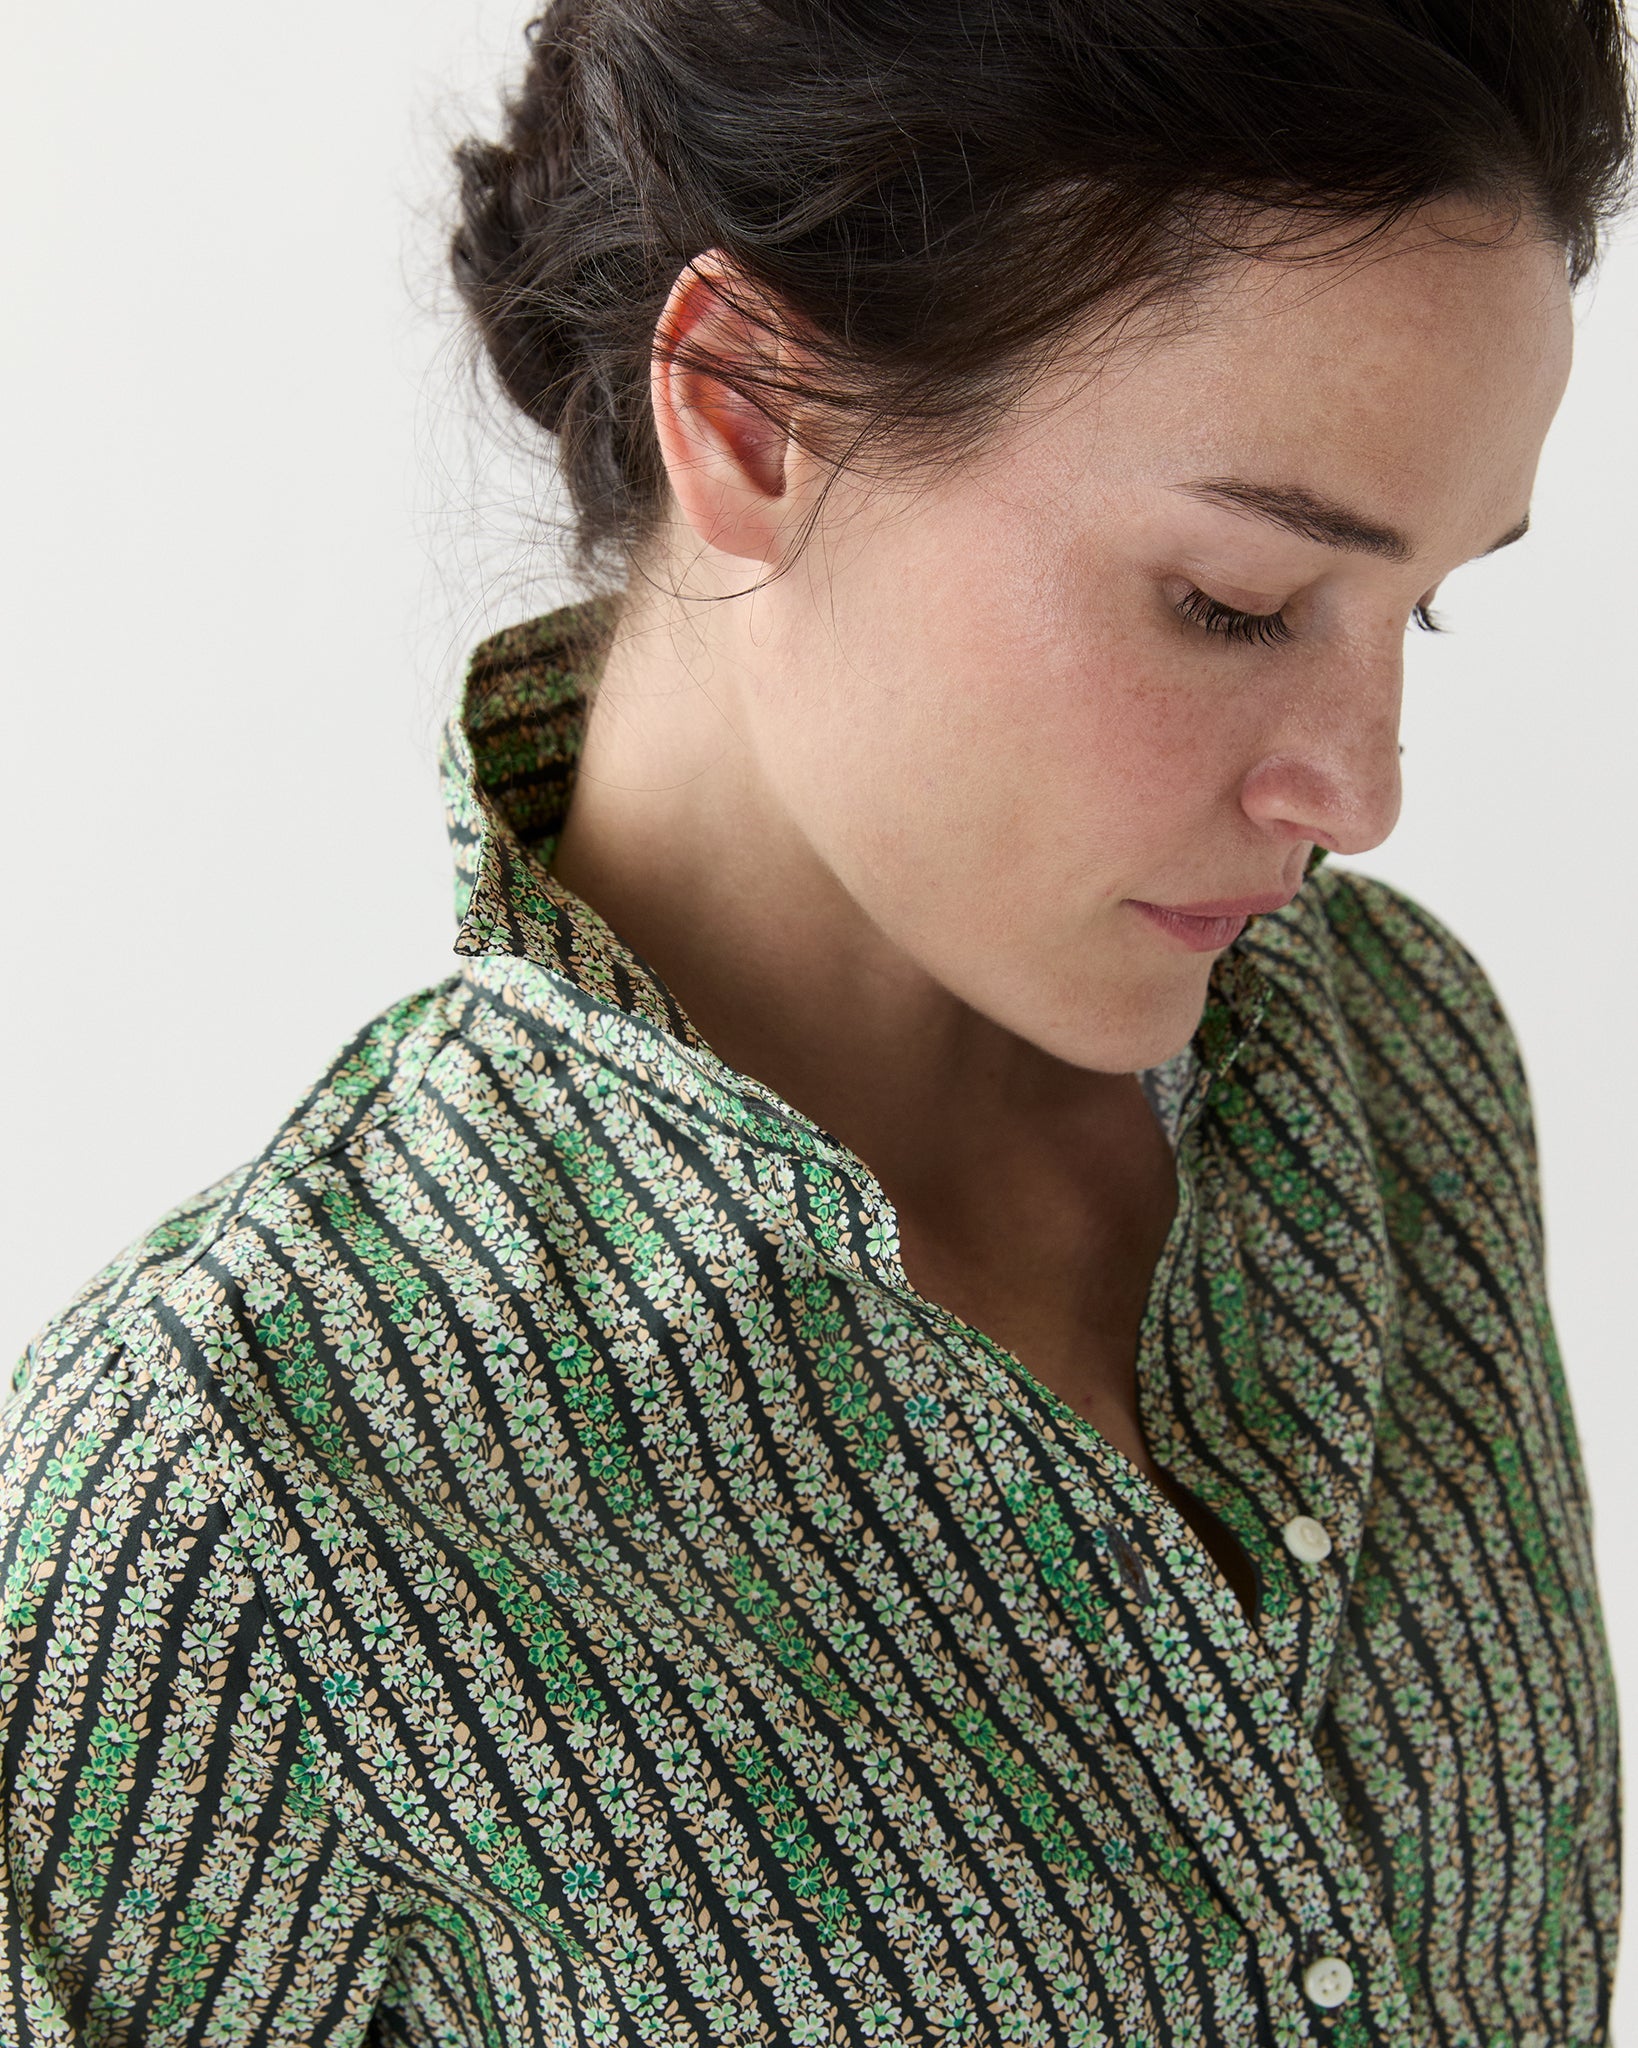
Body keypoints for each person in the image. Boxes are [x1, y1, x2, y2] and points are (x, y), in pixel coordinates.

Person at [1, 0, 1629, 2040]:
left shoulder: (1397, 1072)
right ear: (749, 413)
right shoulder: (232, 1499)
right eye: (1233, 600)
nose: (1363, 789)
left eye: (1430, 602)